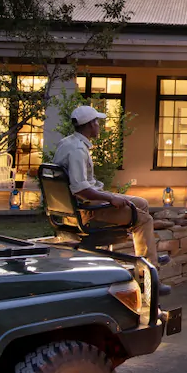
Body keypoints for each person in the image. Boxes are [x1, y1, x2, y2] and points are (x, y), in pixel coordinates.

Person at [52, 104, 159, 259]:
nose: (98, 126)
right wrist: (110, 198)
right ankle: (148, 270)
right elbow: (80, 190)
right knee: (144, 219)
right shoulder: (77, 151)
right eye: (97, 122)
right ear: (90, 124)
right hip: (85, 210)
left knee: (141, 203)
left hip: (79, 204)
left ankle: (145, 254)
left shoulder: (68, 142)